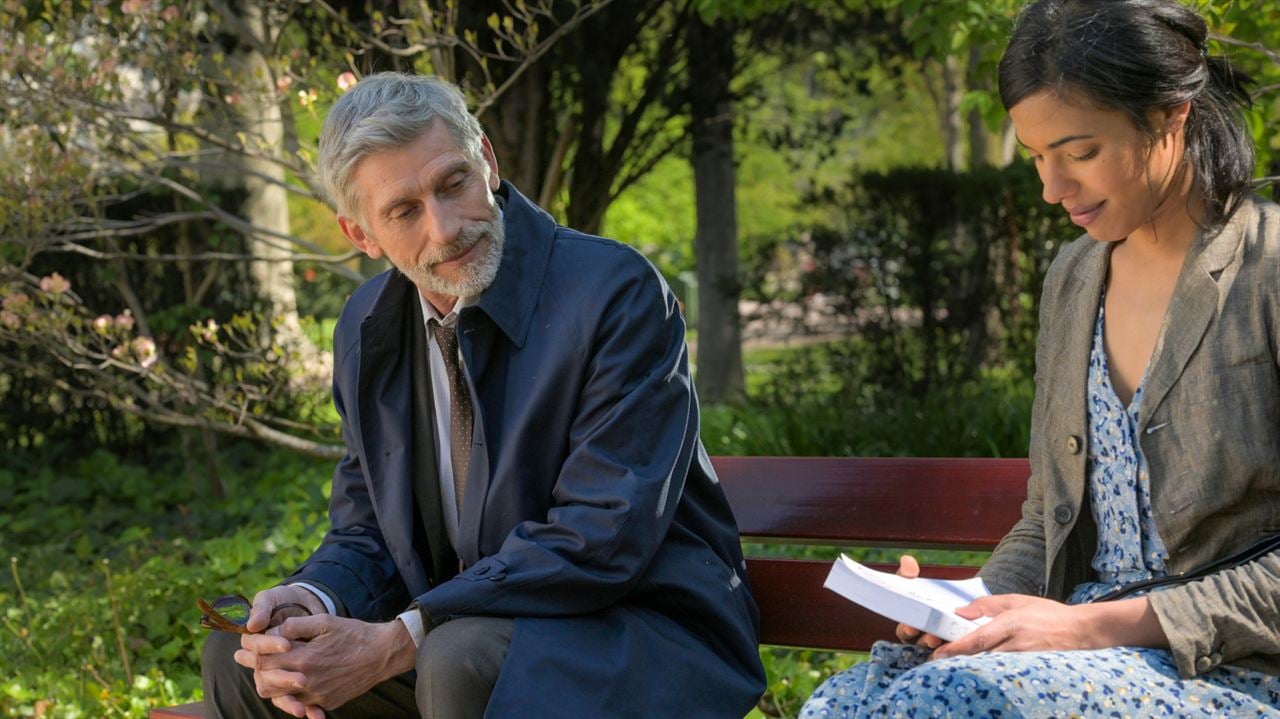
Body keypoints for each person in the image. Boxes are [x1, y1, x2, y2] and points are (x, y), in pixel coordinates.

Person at [201, 72, 765, 719]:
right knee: (249, 665)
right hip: (467, 631)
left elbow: (600, 535)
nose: (444, 229)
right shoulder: (367, 327)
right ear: (361, 235)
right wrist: (313, 599)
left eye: (453, 182)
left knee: (458, 656)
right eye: (404, 210)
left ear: (487, 162)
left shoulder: (615, 294)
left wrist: (405, 636)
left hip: (647, 635)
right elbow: (368, 530)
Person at [803, 0, 1280, 716]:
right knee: (844, 702)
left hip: (1230, 667)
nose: (1052, 189)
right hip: (1081, 646)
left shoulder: (1266, 267)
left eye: (1080, 153)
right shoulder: (1073, 277)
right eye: (1036, 158)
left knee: (947, 700)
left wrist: (1091, 626)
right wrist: (971, 606)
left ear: (1169, 114)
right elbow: (1048, 515)